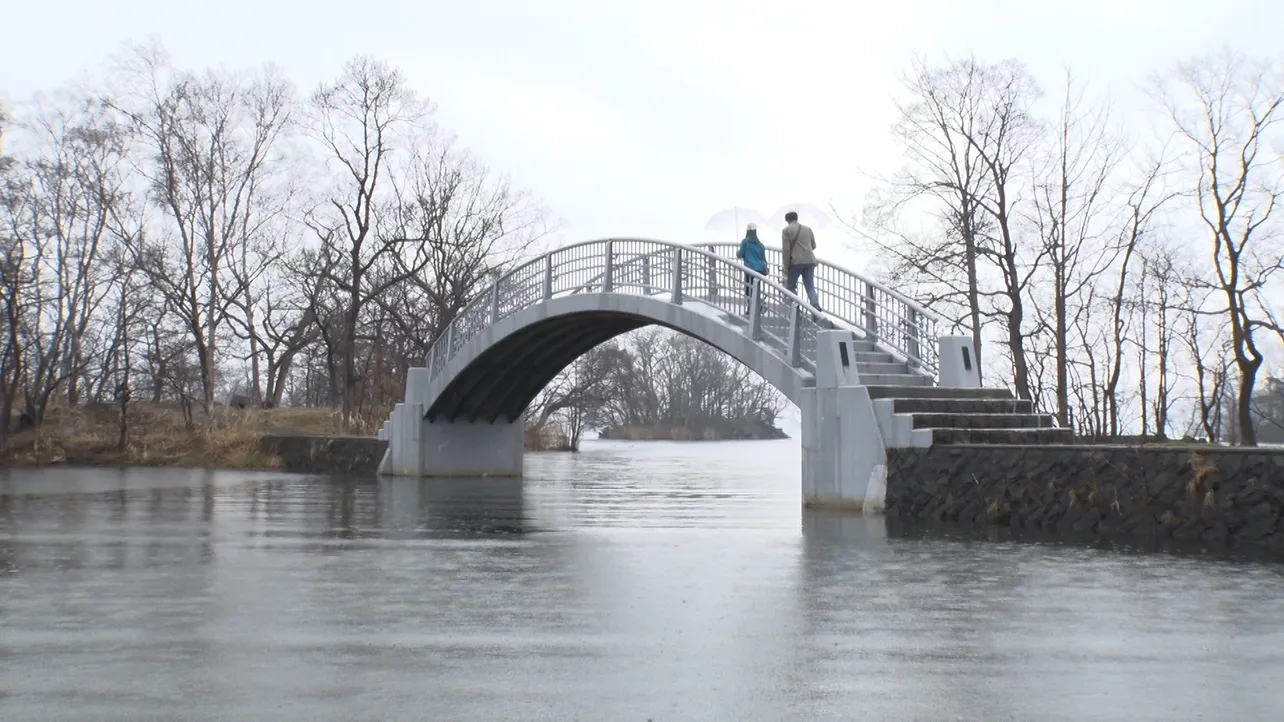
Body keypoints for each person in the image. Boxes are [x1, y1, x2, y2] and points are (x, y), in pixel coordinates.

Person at [782, 210, 821, 311]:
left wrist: (786, 267)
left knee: (790, 286)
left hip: (796, 262)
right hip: (810, 261)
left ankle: (796, 307)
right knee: (810, 286)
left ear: (787, 220)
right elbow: (814, 245)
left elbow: (786, 250)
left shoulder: (786, 230)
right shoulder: (808, 229)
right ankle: (815, 305)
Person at [736, 223, 769, 314]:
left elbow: (741, 254)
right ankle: (758, 306)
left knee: (748, 290)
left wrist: (737, 253)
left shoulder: (745, 242)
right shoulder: (760, 245)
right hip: (760, 270)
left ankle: (753, 308)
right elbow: (763, 259)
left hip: (750, 269)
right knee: (755, 289)